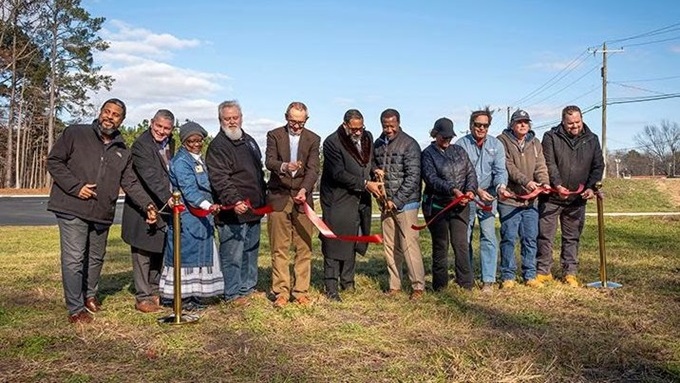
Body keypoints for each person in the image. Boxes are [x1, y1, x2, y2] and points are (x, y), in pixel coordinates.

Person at [47, 98, 157, 324]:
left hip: (102, 212)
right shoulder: (76, 133)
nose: (110, 116)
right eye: (107, 111)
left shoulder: (122, 150)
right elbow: (54, 161)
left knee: (96, 258)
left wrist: (147, 205)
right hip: (72, 207)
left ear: (122, 120)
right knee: (75, 258)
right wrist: (76, 187)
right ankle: (76, 308)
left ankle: (89, 295)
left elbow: (131, 183)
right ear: (100, 112)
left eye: (116, 114)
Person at [206, 100, 267, 306]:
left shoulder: (249, 141)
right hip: (233, 211)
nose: (232, 122)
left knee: (250, 251)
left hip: (254, 209)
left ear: (241, 117)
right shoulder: (218, 147)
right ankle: (232, 293)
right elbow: (220, 179)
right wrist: (235, 200)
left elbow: (258, 172)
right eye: (227, 118)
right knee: (232, 254)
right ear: (220, 120)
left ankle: (247, 288)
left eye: (235, 117)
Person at [158, 122, 224, 310]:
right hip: (187, 217)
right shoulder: (181, 162)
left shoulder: (199, 159)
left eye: (199, 140)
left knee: (200, 255)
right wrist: (208, 206)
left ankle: (194, 294)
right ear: (184, 141)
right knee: (185, 256)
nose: (196, 144)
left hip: (202, 219)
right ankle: (181, 297)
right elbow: (189, 190)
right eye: (191, 141)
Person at [536, 105, 604, 287]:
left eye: (577, 122)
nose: (574, 126)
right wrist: (557, 184)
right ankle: (543, 271)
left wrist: (591, 188)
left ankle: (570, 272)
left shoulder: (592, 139)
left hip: (577, 200)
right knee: (545, 236)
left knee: (572, 237)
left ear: (582, 119)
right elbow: (549, 163)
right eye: (570, 123)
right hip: (551, 198)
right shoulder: (550, 137)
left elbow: (598, 166)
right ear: (563, 122)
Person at [319, 109, 382, 302]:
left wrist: (375, 170)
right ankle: (331, 287)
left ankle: (348, 281)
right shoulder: (332, 142)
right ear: (345, 125)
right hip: (338, 198)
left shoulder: (367, 136)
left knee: (354, 239)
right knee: (334, 242)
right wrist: (365, 184)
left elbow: (367, 161)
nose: (357, 132)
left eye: (360, 128)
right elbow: (338, 173)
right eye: (353, 129)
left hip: (360, 198)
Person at [264, 102, 320, 308]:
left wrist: (305, 190)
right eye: (292, 121)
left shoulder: (313, 139)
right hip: (278, 197)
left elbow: (313, 169)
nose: (296, 126)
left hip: (303, 199)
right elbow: (269, 161)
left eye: (300, 122)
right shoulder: (274, 135)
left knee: (304, 247)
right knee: (279, 248)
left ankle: (301, 291)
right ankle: (281, 291)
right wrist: (284, 166)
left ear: (307, 119)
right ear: (286, 117)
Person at [121, 109, 176, 313]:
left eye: (166, 128)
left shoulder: (170, 143)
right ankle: (142, 297)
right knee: (142, 251)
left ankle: (155, 291)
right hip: (143, 205)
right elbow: (150, 177)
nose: (161, 131)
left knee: (158, 250)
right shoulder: (141, 146)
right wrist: (169, 198)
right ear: (151, 123)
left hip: (163, 206)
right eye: (158, 126)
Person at [372, 108, 425, 300]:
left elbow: (413, 177)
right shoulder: (377, 144)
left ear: (399, 123)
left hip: (406, 203)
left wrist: (397, 200)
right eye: (385, 126)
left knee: (408, 245)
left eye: (392, 126)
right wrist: (375, 173)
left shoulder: (410, 144)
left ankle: (418, 286)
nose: (388, 129)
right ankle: (395, 285)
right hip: (385, 203)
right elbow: (371, 165)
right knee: (390, 245)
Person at [455, 107, 510, 292]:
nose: (481, 129)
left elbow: (500, 171)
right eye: (478, 125)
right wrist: (475, 190)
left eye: (485, 126)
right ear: (471, 125)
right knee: (465, 238)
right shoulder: (460, 145)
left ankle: (488, 279)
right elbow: (460, 174)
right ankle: (466, 278)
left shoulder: (497, 145)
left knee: (488, 236)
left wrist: (501, 187)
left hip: (489, 198)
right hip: (467, 197)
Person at [421, 118, 478, 291]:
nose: (447, 140)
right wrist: (452, 190)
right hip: (437, 207)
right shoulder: (428, 154)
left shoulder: (459, 151)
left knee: (461, 243)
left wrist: (470, 191)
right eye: (443, 137)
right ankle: (440, 285)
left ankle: (466, 283)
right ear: (435, 134)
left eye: (449, 137)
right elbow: (431, 179)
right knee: (441, 244)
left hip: (460, 205)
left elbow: (471, 173)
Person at [496, 110, 549, 289]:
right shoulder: (501, 141)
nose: (523, 125)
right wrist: (527, 182)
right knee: (509, 238)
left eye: (526, 122)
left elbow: (541, 165)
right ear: (512, 124)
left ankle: (530, 274)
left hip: (531, 201)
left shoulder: (535, 143)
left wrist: (544, 183)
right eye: (519, 122)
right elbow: (508, 166)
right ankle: (508, 275)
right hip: (510, 199)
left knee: (530, 238)